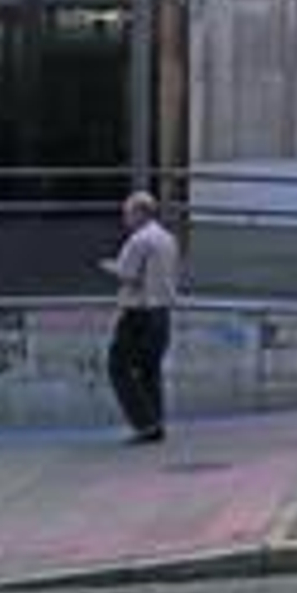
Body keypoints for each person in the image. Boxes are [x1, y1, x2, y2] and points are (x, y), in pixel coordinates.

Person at [99, 190, 180, 445]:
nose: (125, 219)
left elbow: (129, 276)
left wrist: (110, 267)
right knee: (150, 369)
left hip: (138, 311)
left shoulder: (139, 241)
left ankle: (144, 423)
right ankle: (155, 422)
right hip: (162, 311)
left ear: (140, 212)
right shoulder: (168, 239)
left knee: (117, 366)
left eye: (128, 213)